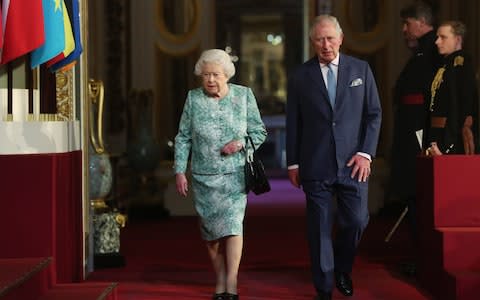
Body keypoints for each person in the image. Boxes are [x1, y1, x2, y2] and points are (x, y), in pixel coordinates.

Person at [286, 15, 382, 300]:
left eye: (330, 38)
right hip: (315, 163)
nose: (326, 45)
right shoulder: (300, 76)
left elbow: (374, 114)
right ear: (312, 42)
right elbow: (294, 122)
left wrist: (366, 153)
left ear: (340, 39)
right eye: (319, 39)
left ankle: (342, 268)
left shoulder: (361, 70)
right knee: (319, 229)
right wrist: (293, 162)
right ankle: (324, 288)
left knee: (356, 221)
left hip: (354, 164)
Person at [174, 49, 267, 300]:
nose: (210, 80)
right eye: (205, 75)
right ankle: (219, 276)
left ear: (226, 74)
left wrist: (240, 143)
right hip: (204, 176)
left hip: (235, 174)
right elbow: (182, 138)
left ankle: (232, 281)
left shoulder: (244, 95)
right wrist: (180, 171)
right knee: (211, 232)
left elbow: (259, 132)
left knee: (234, 226)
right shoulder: (193, 99)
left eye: (215, 74)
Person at [389, 1, 442, 276]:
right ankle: (420, 256)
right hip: (413, 134)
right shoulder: (423, 51)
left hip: (421, 137)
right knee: (414, 196)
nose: (404, 30)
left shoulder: (432, 51)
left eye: (407, 24)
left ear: (421, 23)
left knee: (419, 197)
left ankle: (424, 260)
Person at [426, 20, 479, 156]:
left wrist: (452, 138)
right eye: (438, 37)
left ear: (457, 39)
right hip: (437, 132)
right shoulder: (445, 65)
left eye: (443, 37)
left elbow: (463, 100)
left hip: (450, 133)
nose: (437, 41)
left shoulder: (461, 63)